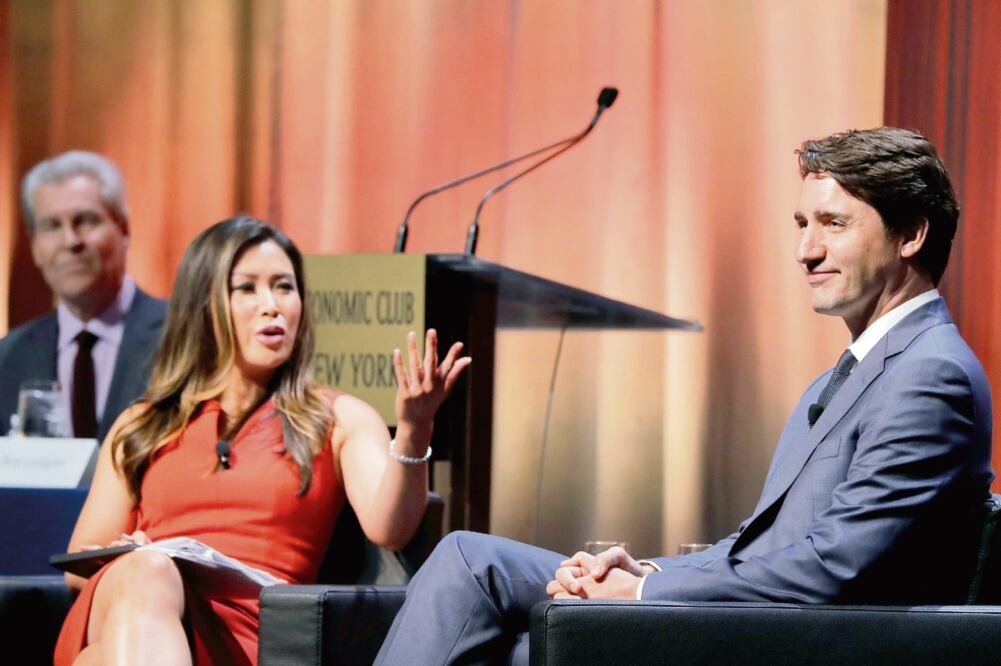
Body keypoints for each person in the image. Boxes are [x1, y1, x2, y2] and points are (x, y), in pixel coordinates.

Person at [375, 127, 994, 664]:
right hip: (757, 620)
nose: (806, 251)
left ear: (911, 234)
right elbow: (759, 547)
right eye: (802, 225)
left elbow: (834, 567)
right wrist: (641, 572)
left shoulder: (929, 376)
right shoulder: (858, 373)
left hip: (791, 641)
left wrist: (644, 595)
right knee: (477, 574)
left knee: (480, 582)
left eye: (833, 224)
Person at [53, 216, 470, 665]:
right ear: (204, 303)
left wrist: (413, 431)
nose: (271, 305)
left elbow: (391, 529)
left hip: (249, 633)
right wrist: (131, 556)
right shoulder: (142, 424)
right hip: (138, 601)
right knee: (146, 572)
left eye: (284, 287)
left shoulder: (337, 417)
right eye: (247, 288)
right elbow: (77, 573)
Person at [0, 150, 167, 441]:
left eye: (86, 220)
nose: (70, 241)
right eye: (52, 226)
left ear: (124, 229)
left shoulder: (184, 334)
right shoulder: (8, 356)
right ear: (35, 246)